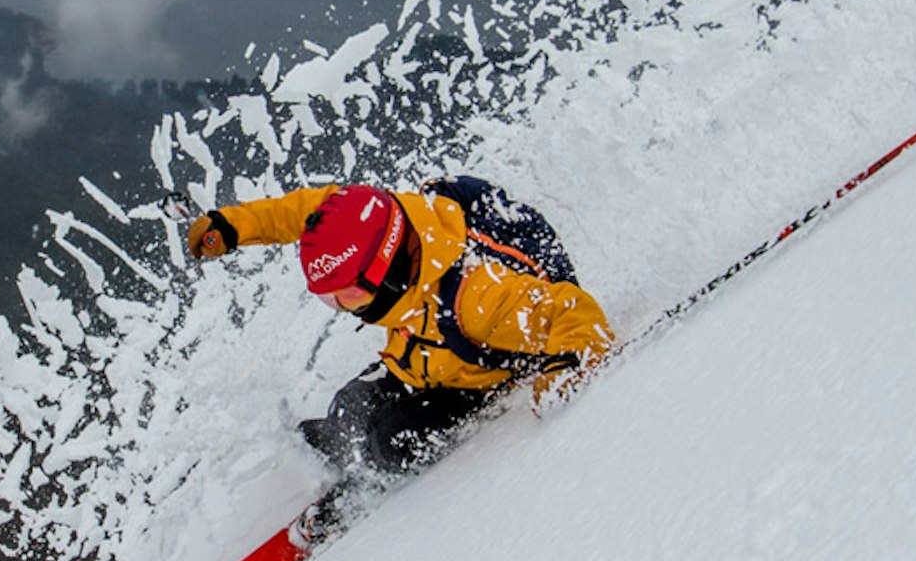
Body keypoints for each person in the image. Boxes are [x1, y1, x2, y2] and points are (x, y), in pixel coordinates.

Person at [186, 177, 614, 475]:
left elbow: (572, 312)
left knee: (394, 444)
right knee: (348, 408)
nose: (341, 307)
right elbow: (304, 212)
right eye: (329, 299)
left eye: (348, 295)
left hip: (478, 374)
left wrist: (564, 375)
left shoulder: (482, 298)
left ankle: (376, 476)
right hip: (424, 353)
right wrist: (232, 227)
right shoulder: (376, 217)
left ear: (387, 269)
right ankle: (354, 455)